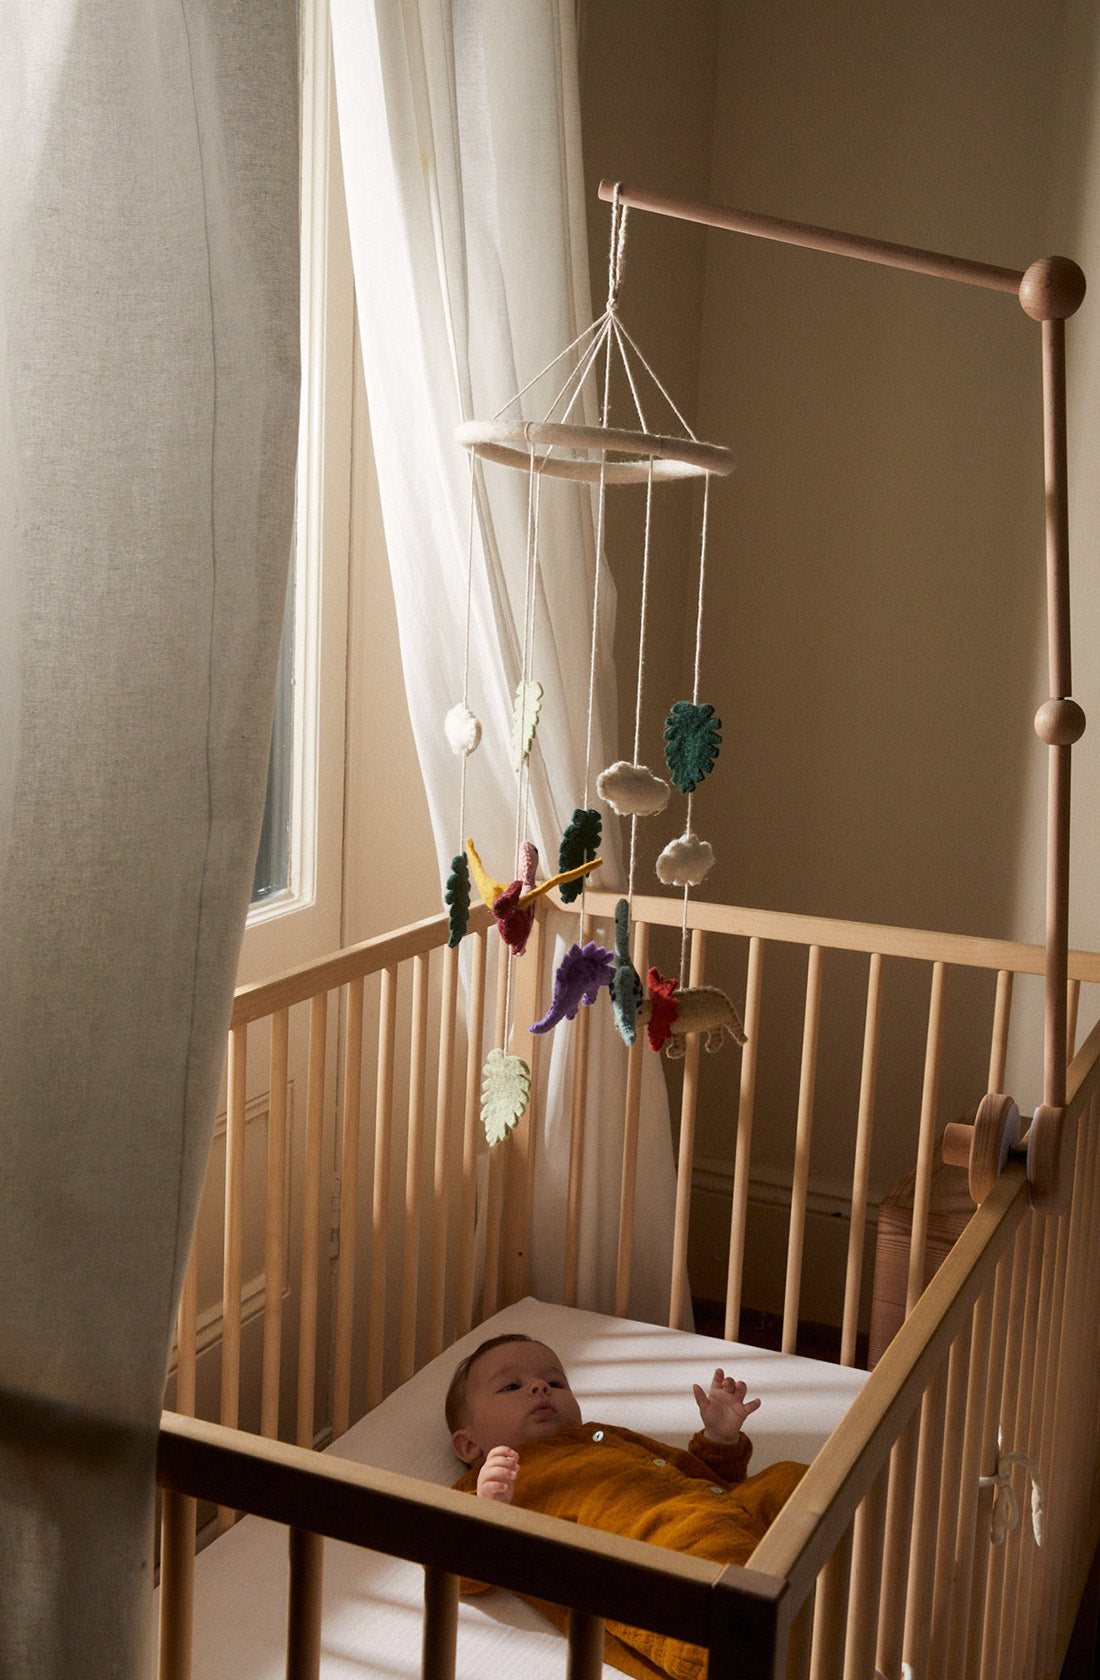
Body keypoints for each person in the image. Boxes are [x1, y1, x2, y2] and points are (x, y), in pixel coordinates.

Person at [446, 1334, 806, 1680]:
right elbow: (458, 1570)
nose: (540, 1387)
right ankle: (802, 1641)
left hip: (721, 1505)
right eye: (511, 1386)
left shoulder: (602, 1435)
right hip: (663, 1554)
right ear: (468, 1446)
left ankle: (840, 1565)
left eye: (555, 1382)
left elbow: (691, 1471)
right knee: (722, 1596)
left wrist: (719, 1440)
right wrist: (491, 1509)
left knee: (792, 1480)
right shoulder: (496, 1482)